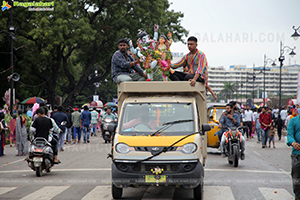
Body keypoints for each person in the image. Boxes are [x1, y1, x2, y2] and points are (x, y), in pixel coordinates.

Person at [286, 111, 300, 200]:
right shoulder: (293, 121)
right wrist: (293, 143)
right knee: (296, 177)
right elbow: (290, 135)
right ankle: (298, 197)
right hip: (297, 154)